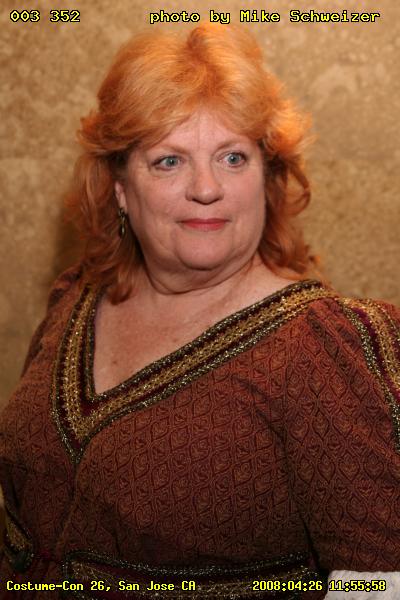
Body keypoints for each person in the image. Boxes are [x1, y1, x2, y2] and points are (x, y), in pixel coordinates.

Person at [0, 23, 399, 600]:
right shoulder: (76, 299)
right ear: (120, 186)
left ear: (266, 178)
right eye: (169, 161)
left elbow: (378, 583)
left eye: (233, 157)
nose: (206, 188)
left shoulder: (319, 348)